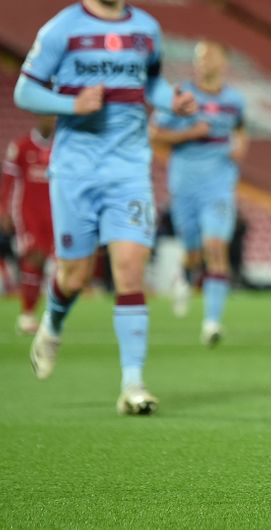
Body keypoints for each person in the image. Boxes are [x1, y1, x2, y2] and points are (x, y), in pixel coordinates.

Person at [14, 0, 197, 415]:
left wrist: (173, 101)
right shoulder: (63, 27)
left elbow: (150, 85)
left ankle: (133, 385)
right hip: (76, 171)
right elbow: (24, 90)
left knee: (130, 271)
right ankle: (53, 324)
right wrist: (71, 105)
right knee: (73, 275)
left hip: (129, 169)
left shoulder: (147, 28)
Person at [150, 39, 248, 347]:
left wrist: (241, 145)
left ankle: (212, 322)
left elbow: (240, 129)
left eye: (211, 56)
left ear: (223, 62)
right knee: (193, 251)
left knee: (215, 246)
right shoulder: (181, 96)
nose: (205, 62)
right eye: (200, 57)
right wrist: (190, 134)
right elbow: (154, 134)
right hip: (185, 187)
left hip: (218, 186)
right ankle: (185, 274)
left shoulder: (235, 100)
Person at [0, 115, 55, 335]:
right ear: (37, 117)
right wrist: (3, 208)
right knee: (35, 257)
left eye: (52, 117)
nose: (49, 121)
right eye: (45, 116)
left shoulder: (62, 148)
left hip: (55, 214)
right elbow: (7, 180)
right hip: (27, 213)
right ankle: (27, 314)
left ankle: (44, 313)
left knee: (52, 265)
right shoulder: (21, 147)